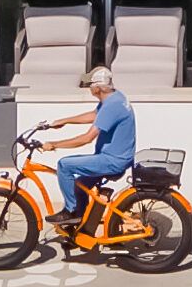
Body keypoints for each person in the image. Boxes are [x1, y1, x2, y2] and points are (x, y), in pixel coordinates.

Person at [30, 63, 136, 224]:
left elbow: (87, 138)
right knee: (79, 184)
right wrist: (64, 121)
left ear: (98, 88)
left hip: (112, 160)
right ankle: (81, 223)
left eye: (90, 85)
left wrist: (54, 144)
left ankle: (71, 211)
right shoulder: (115, 97)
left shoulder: (111, 105)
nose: (88, 88)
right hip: (118, 157)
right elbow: (95, 115)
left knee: (64, 165)